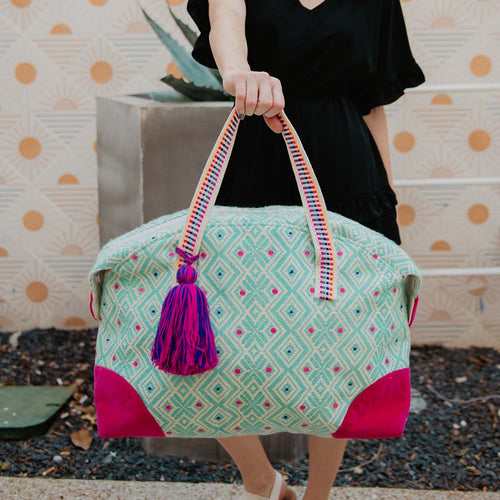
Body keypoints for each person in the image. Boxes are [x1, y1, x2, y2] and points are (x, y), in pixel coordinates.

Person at [186, 1, 426, 499]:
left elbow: (371, 104)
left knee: (335, 349)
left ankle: (318, 494)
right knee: (215, 338)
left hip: (350, 176)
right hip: (255, 166)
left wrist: (385, 202)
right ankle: (260, 480)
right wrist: (240, 75)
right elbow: (224, 30)